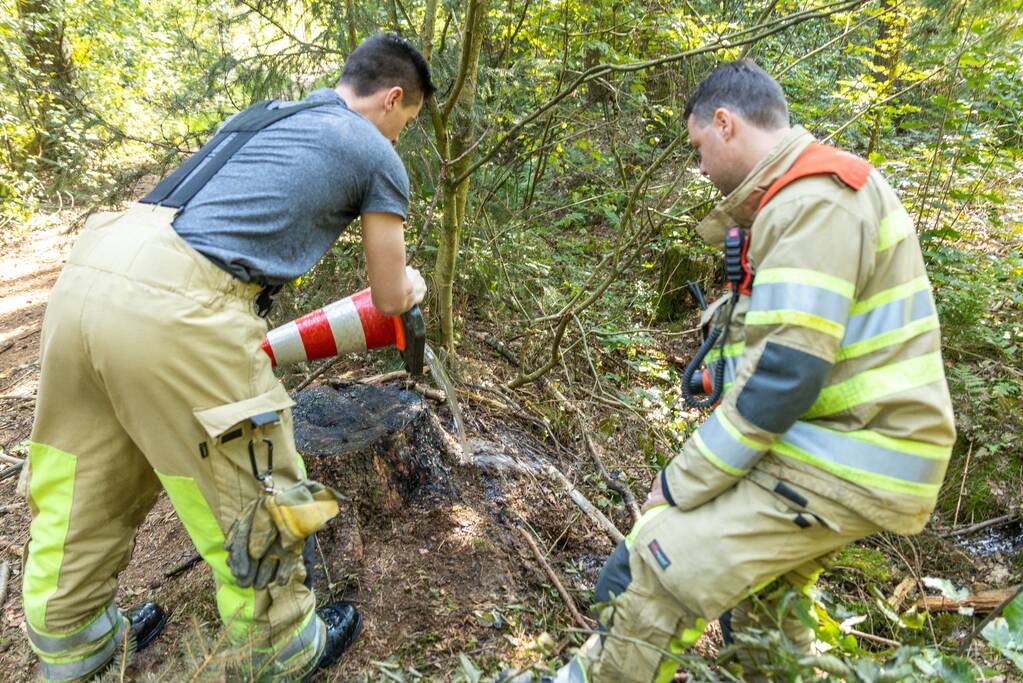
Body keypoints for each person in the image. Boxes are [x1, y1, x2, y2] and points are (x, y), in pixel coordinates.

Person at [22, 32, 432, 682]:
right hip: (181, 303)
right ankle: (282, 646)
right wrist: (414, 286)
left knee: (83, 477)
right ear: (391, 99)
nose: (398, 138)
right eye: (404, 123)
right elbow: (387, 293)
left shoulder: (267, 113)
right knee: (254, 484)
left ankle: (74, 642)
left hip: (92, 269)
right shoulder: (373, 151)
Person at [549, 60, 956, 682]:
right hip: (843, 446)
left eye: (698, 148)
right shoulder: (801, 198)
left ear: (724, 122)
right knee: (765, 617)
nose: (701, 168)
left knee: (657, 570)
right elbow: (780, 352)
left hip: (847, 455)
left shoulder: (816, 199)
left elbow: (783, 377)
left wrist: (679, 483)